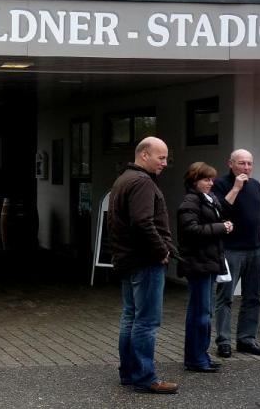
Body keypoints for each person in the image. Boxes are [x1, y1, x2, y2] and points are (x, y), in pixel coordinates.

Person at [107, 136, 178, 394]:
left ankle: (129, 373)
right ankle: (145, 377)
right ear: (144, 155)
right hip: (144, 261)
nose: (165, 163)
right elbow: (143, 222)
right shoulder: (142, 183)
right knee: (146, 322)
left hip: (128, 259)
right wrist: (162, 251)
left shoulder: (124, 179)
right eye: (161, 157)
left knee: (130, 317)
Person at [212, 149, 260, 358]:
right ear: (231, 164)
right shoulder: (220, 184)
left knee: (253, 297)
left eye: (249, 164)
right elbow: (219, 211)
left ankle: (247, 339)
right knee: (225, 296)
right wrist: (236, 188)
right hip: (231, 250)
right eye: (241, 163)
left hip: (256, 249)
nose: (246, 168)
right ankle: (224, 341)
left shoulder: (256, 185)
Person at [177, 162, 233, 373]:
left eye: (211, 179)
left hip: (207, 262)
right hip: (198, 263)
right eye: (205, 179)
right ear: (194, 181)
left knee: (204, 312)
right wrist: (221, 227)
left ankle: (201, 355)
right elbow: (191, 230)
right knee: (200, 313)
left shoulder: (208, 200)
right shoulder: (190, 201)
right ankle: (195, 358)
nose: (210, 183)